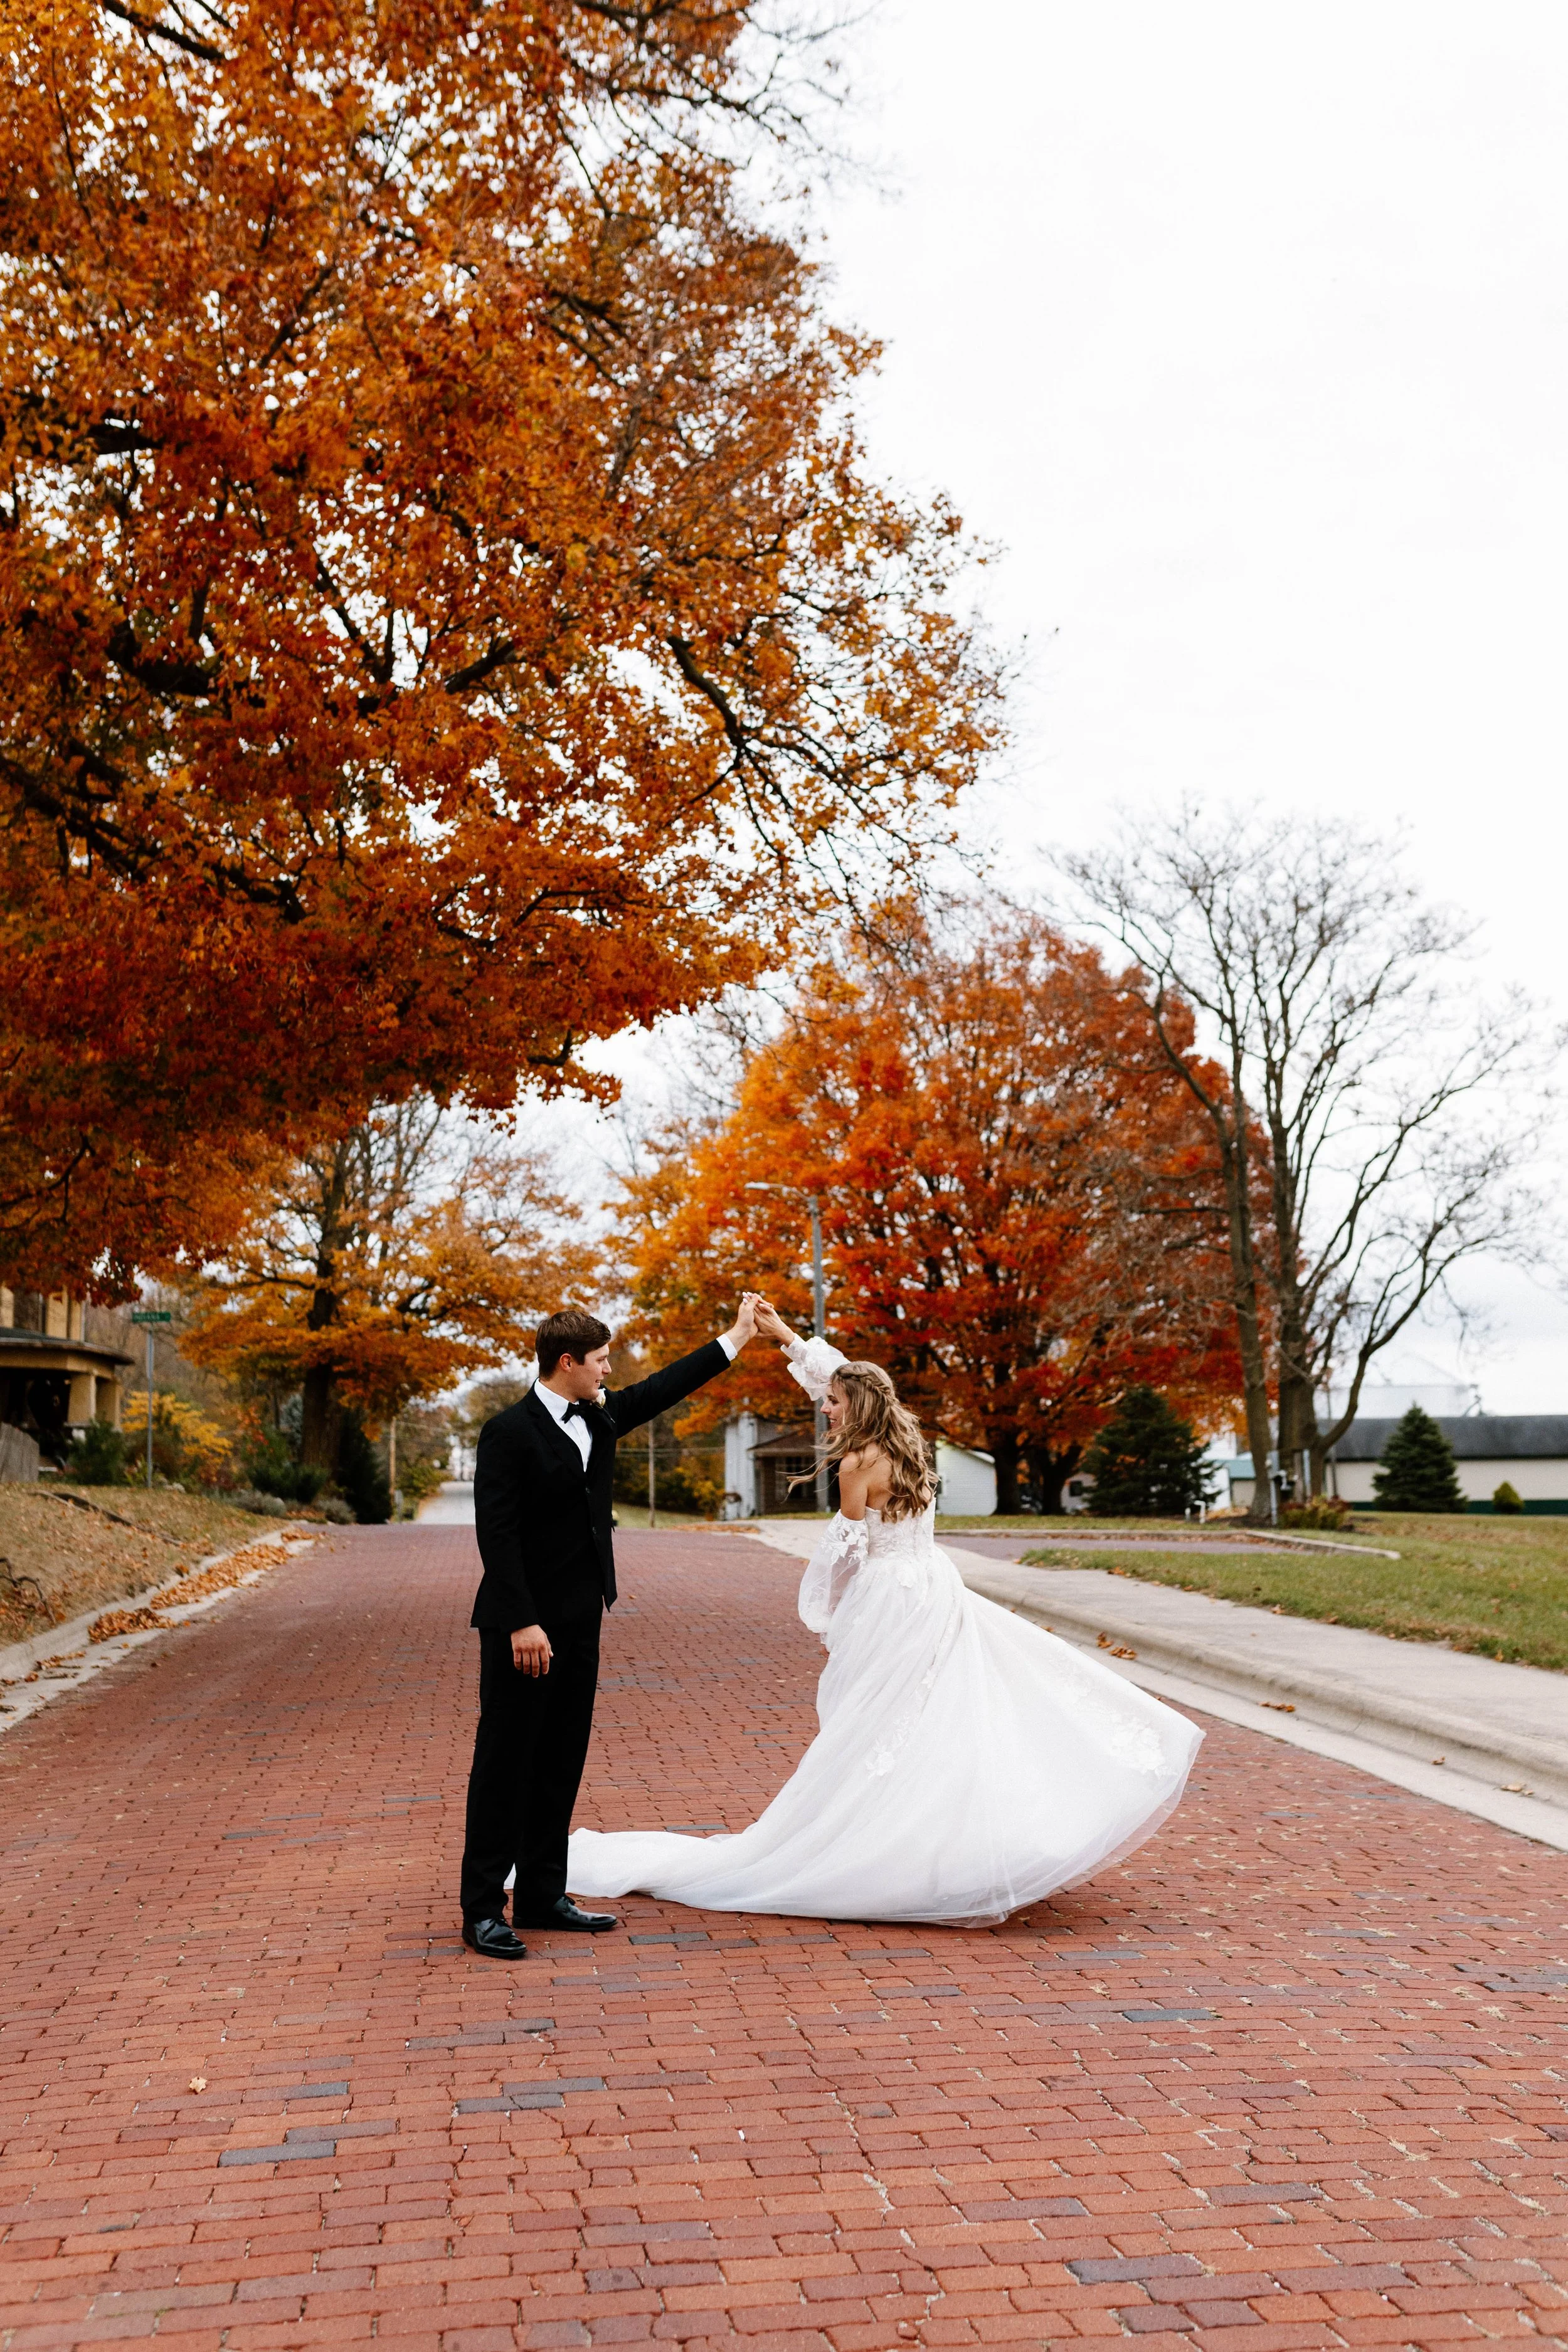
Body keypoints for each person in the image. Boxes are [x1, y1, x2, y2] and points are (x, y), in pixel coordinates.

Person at [565, 1305, 1203, 1924]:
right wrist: (786, 1335)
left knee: (875, 1723)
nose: (824, 1406)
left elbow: (844, 1551)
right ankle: (943, 1848)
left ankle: (877, 1848)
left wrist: (824, 1612)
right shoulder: (909, 1442)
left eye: (833, 1404)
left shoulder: (855, 1463)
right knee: (938, 1718)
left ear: (857, 1409)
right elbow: (847, 1377)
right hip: (932, 1589)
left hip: (887, 1600)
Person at [459, 1297, 760, 1959]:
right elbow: (497, 1535)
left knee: (560, 1760)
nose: (609, 1371)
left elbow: (663, 1389)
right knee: (505, 1764)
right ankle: (482, 1909)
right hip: (522, 1630)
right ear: (566, 1364)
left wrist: (735, 1336)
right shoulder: (507, 1432)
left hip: (580, 1621)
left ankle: (542, 1895)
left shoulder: (599, 1417)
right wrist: (522, 1623)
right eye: (599, 1361)